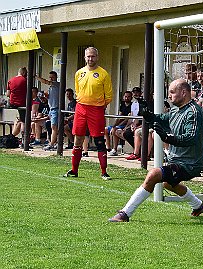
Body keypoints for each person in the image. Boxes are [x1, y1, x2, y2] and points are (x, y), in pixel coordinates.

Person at [109, 79, 203, 222]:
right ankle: (198, 206)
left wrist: (168, 138)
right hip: (177, 160)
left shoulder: (194, 112)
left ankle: (125, 214)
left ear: (184, 92)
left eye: (172, 92)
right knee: (168, 183)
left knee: (154, 174)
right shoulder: (175, 109)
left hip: (190, 163)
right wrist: (146, 114)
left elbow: (190, 138)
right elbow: (162, 119)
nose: (169, 96)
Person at [63, 47, 113, 180]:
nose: (90, 59)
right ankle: (74, 170)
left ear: (97, 57)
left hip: (96, 109)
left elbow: (108, 96)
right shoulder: (79, 73)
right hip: (81, 108)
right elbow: (77, 91)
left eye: (93, 56)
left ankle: (104, 172)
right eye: (88, 56)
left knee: (99, 140)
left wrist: (99, 105)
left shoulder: (103, 74)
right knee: (78, 138)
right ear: (85, 57)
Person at [35, 71, 60, 151]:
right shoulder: (51, 88)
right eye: (50, 77)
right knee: (50, 126)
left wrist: (36, 77)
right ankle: (52, 142)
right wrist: (44, 97)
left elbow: (45, 82)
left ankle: (52, 144)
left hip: (56, 109)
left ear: (56, 77)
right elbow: (49, 97)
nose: (50, 79)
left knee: (54, 127)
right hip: (51, 109)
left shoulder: (57, 84)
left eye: (52, 77)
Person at [105, 90, 133, 156]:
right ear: (123, 97)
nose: (127, 98)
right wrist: (114, 125)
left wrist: (117, 126)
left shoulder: (132, 106)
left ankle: (115, 149)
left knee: (115, 130)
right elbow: (119, 117)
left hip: (126, 125)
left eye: (129, 97)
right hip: (120, 124)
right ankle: (108, 148)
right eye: (125, 96)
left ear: (131, 97)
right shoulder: (122, 105)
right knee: (105, 129)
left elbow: (127, 119)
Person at [6, 67, 27, 138]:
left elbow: (8, 94)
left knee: (19, 119)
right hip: (22, 103)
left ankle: (13, 136)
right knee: (24, 121)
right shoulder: (25, 80)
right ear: (24, 73)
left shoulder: (10, 80)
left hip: (12, 103)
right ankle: (24, 139)